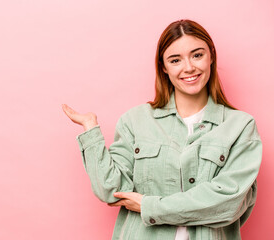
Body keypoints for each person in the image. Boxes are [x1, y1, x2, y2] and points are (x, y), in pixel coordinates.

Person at [62, 19, 262, 240]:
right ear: (164, 67)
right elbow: (111, 191)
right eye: (175, 60)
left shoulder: (241, 126)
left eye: (197, 55)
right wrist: (91, 131)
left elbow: (227, 204)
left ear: (211, 56)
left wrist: (151, 206)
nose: (189, 67)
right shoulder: (135, 121)